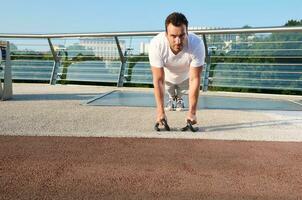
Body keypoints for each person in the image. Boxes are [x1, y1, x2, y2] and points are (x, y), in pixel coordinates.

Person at [149, 12, 205, 127]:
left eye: (182, 35)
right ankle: (172, 98)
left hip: (186, 76)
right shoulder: (156, 44)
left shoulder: (197, 44)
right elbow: (158, 80)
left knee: (181, 93)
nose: (178, 41)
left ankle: (179, 98)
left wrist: (192, 113)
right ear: (166, 34)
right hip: (167, 76)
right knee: (170, 91)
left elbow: (195, 79)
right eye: (173, 36)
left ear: (187, 33)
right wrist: (160, 112)